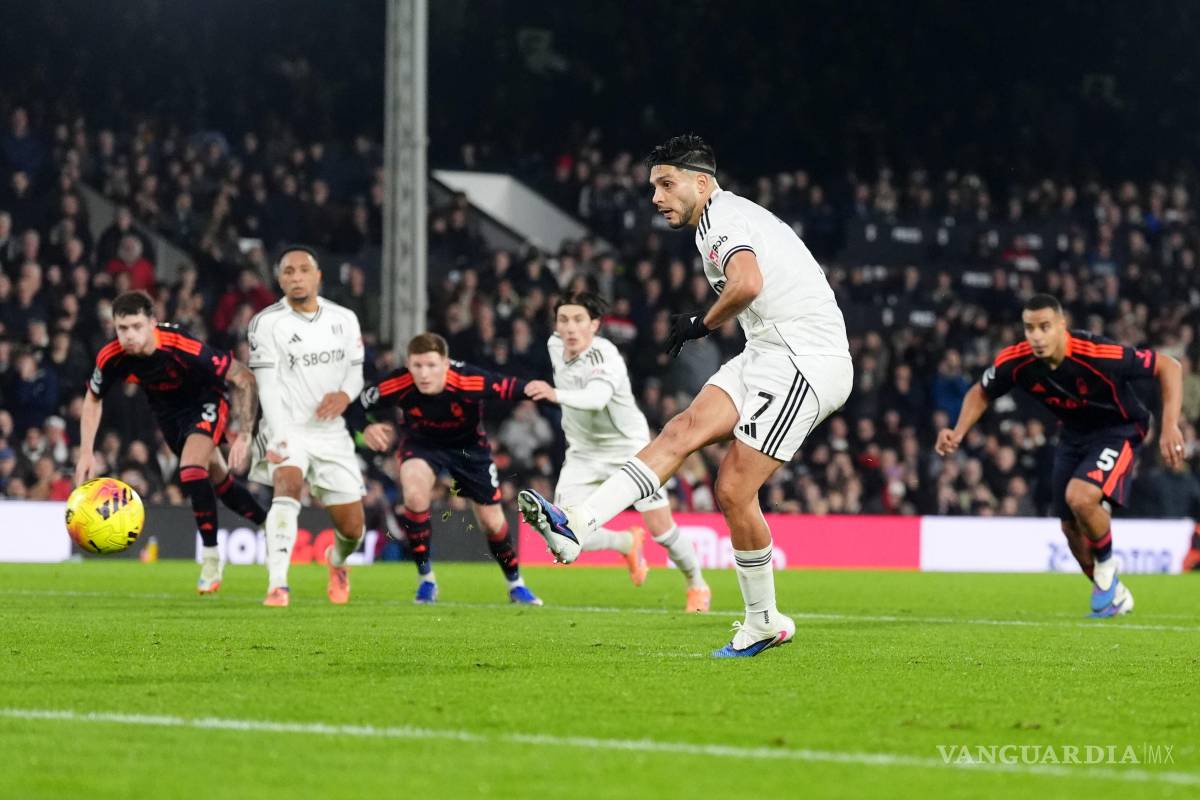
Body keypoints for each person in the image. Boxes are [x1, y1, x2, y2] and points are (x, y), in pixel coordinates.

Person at [519, 134, 853, 657]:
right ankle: (576, 524)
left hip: (805, 360)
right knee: (681, 430)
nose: (656, 197)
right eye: (654, 186)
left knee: (734, 488)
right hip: (767, 351)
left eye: (666, 184)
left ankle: (763, 620)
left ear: (702, 182)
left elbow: (746, 283)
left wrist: (701, 323)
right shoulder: (715, 221)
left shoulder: (724, 219)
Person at [936, 293, 1184, 617]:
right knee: (1070, 530)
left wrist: (1170, 426)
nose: (1036, 336)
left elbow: (1169, 365)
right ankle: (1115, 593)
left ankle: (1108, 564)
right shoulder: (1017, 360)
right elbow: (980, 392)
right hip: (1073, 436)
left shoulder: (1097, 353)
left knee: (1080, 497)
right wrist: (958, 431)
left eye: (1044, 327)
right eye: (1029, 328)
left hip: (1120, 429)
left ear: (1062, 326)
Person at [525, 292, 711, 611]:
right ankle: (624, 542)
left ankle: (697, 583)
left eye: (578, 320)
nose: (570, 328)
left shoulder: (606, 356)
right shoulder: (554, 345)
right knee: (562, 531)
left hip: (629, 450)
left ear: (594, 325)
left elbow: (597, 398)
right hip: (583, 453)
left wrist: (554, 394)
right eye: (563, 320)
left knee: (662, 531)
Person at [75, 290, 266, 594]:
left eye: (137, 326)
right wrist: (86, 452)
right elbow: (92, 399)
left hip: (207, 401)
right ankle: (271, 525)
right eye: (122, 329)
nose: (129, 336)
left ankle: (212, 557)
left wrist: (244, 434)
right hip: (168, 415)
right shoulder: (111, 356)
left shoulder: (182, 345)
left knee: (191, 469)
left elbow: (242, 376)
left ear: (153, 322)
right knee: (221, 483)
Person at [358, 332, 544, 605]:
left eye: (431, 366)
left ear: (445, 364)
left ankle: (515, 584)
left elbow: (512, 387)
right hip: (422, 445)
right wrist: (366, 426)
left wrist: (552, 393)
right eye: (417, 366)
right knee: (414, 494)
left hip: (469, 449)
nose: (424, 373)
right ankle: (426, 580)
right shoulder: (396, 382)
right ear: (408, 364)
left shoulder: (468, 379)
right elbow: (356, 405)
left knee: (492, 523)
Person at [247, 245, 367, 607]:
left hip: (330, 432)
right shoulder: (267, 323)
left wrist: (345, 395)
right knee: (287, 485)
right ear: (279, 279)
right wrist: (279, 434)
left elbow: (356, 373)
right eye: (288, 272)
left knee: (352, 530)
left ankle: (337, 561)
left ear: (318, 276)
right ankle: (278, 584)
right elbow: (265, 384)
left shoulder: (344, 319)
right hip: (288, 426)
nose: (296, 277)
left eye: (303, 270)